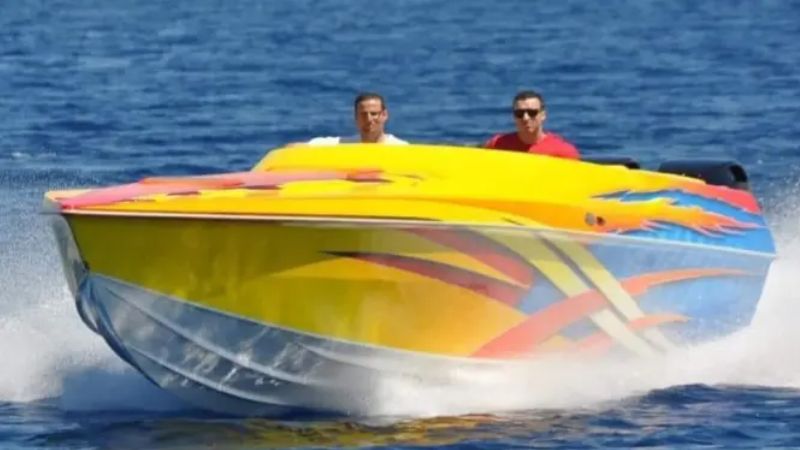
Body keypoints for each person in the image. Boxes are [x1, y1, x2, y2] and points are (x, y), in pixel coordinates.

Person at [484, 90, 580, 159]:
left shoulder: (564, 152)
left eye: (532, 113)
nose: (525, 118)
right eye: (519, 113)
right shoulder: (497, 145)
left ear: (543, 115)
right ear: (514, 116)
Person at [304, 92, 408, 145]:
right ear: (356, 117)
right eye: (363, 114)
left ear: (384, 115)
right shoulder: (343, 145)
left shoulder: (400, 149)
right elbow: (303, 147)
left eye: (374, 114)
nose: (368, 119)